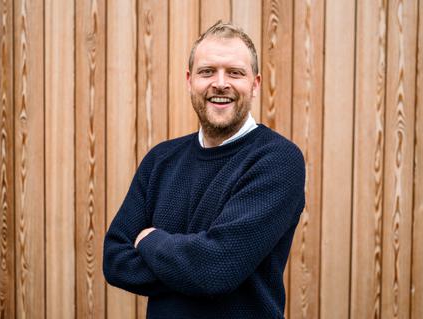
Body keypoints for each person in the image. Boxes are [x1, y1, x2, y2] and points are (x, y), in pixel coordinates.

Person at [103, 21, 305, 319]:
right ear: (189, 80)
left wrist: (150, 240)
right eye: (207, 71)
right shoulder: (160, 160)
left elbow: (215, 269)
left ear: (255, 84)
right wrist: (195, 266)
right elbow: (115, 259)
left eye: (235, 72)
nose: (220, 83)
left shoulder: (277, 160)